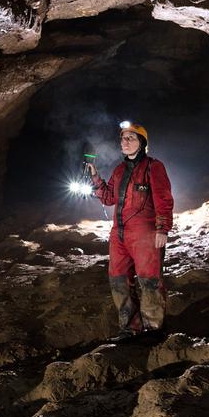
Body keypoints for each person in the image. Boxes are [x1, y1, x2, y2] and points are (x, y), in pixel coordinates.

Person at [85, 121, 174, 339]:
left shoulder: (154, 167)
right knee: (118, 278)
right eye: (122, 138)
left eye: (130, 138)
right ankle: (130, 328)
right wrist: (95, 177)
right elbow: (108, 198)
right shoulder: (120, 170)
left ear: (142, 143)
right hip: (120, 234)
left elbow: (163, 199)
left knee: (149, 280)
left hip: (145, 233)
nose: (124, 142)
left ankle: (153, 329)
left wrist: (162, 228)